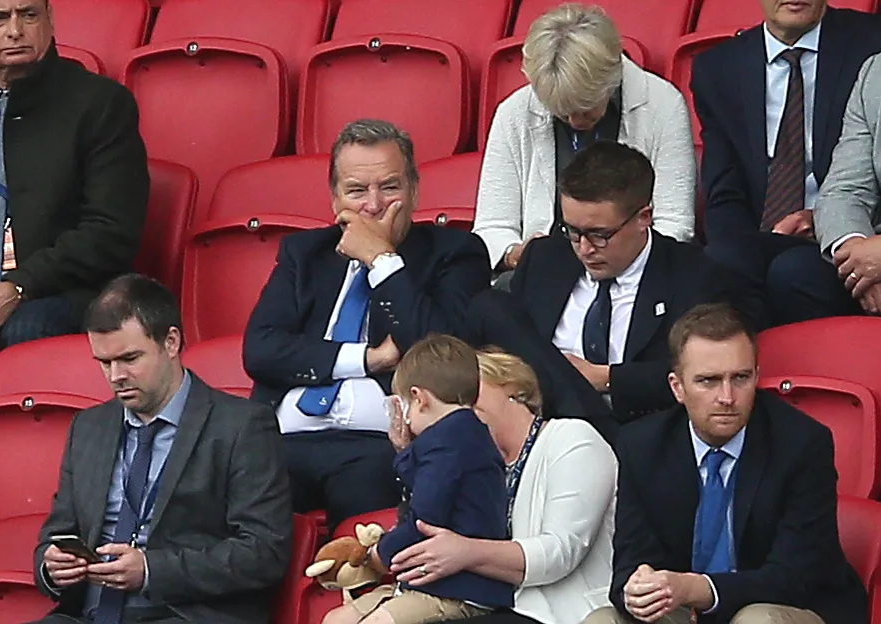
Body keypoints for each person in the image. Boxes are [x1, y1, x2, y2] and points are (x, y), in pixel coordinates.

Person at [243, 119, 491, 530]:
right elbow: (262, 349)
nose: (373, 205)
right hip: (286, 438)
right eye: (356, 191)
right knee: (235, 501)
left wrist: (382, 260)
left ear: (415, 190)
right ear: (334, 198)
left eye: (389, 187)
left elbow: (445, 352)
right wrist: (369, 359)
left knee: (366, 495)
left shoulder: (455, 253)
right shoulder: (305, 254)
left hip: (379, 443)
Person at [31, 274, 292, 624]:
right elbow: (57, 533)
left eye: (130, 358)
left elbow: (263, 552)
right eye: (104, 363)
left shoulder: (242, 426)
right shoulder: (89, 427)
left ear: (171, 342)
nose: (116, 376)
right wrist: (53, 567)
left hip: (184, 614)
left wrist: (152, 570)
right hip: (86, 615)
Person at [583, 303, 865, 624]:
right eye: (708, 381)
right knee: (603, 620)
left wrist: (698, 588)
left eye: (741, 378)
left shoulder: (802, 443)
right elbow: (630, 562)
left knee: (755, 621)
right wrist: (637, 591)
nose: (727, 397)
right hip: (686, 609)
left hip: (787, 606)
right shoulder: (641, 445)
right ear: (678, 387)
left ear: (757, 376)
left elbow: (794, 578)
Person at [0, 0, 149, 348]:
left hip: (53, 288)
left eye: (28, 15)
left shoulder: (101, 104)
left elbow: (111, 229)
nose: (15, 30)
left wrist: (21, 285)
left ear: (49, 20)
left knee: (28, 331)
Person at [475, 141, 729, 423]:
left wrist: (606, 378)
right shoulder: (545, 258)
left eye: (600, 234)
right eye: (572, 231)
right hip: (537, 423)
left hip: (632, 428)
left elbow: (702, 372)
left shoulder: (693, 275)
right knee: (488, 308)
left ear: (643, 218)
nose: (584, 248)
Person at [386, 348, 616, 624]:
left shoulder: (572, 438)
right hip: (495, 606)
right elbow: (425, 523)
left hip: (566, 613)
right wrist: (412, 452)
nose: (459, 406)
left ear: (513, 388)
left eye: (469, 391)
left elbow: (560, 552)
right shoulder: (464, 460)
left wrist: (467, 552)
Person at [692, 0, 881, 330]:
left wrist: (837, 234)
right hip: (771, 234)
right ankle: (746, 374)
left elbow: (857, 184)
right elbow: (724, 192)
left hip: (843, 238)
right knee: (720, 264)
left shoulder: (872, 47)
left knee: (792, 271)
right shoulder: (717, 68)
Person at [473, 3, 696, 275]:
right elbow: (492, 226)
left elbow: (675, 225)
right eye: (561, 112)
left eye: (586, 107)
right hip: (542, 274)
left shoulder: (663, 104)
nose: (576, 122)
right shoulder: (514, 112)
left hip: (637, 273)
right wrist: (516, 254)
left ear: (612, 77)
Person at [323, 335, 512, 624]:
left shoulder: (447, 442)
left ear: (419, 398)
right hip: (430, 583)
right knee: (336, 620)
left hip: (457, 589)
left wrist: (378, 555)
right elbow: (429, 486)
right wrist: (406, 451)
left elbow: (425, 518)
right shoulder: (463, 436)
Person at [814, 51, 881, 315]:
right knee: (795, 275)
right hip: (872, 247)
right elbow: (845, 189)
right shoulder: (876, 71)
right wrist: (858, 258)